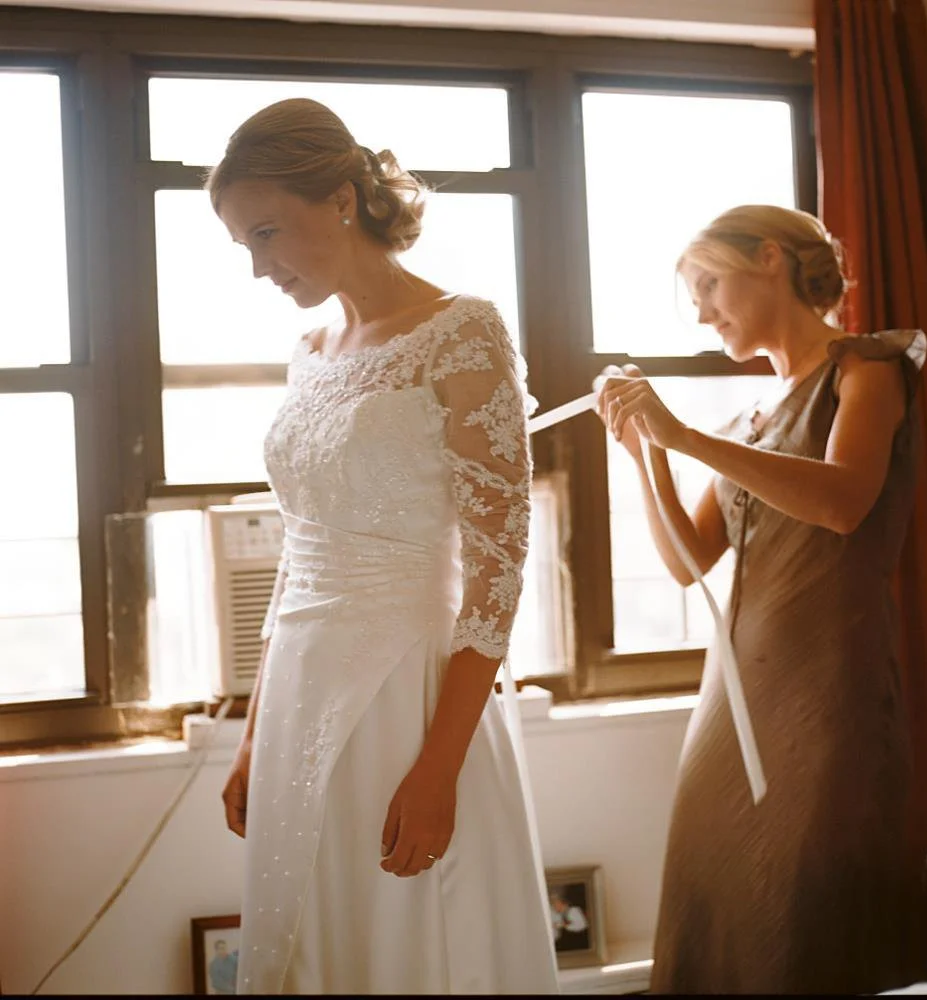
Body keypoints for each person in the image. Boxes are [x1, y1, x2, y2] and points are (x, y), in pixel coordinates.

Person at [210, 97, 559, 995]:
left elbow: (497, 567)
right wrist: (253, 732)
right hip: (298, 684)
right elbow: (300, 550)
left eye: (266, 234)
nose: (257, 268)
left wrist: (439, 766)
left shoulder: (463, 330)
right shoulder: (312, 349)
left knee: (408, 935)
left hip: (412, 689)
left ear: (338, 198)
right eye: (243, 248)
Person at [594, 204, 926, 995]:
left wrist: (684, 439)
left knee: (807, 900)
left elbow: (845, 503)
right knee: (721, 887)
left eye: (709, 285)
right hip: (737, 690)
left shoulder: (866, 368)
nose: (704, 313)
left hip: (828, 684)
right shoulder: (752, 416)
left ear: (770, 259)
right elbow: (687, 561)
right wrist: (647, 454)